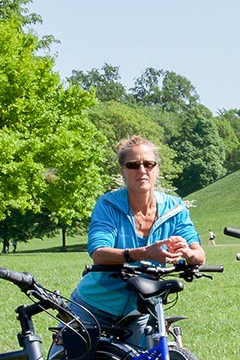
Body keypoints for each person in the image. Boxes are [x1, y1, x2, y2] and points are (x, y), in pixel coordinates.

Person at [65, 136, 204, 347]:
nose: (142, 170)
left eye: (149, 164)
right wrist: (144, 253)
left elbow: (199, 254)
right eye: (133, 165)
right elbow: (99, 253)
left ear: (157, 168)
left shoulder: (174, 208)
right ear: (123, 171)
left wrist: (187, 252)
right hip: (93, 305)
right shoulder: (108, 204)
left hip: (139, 309)